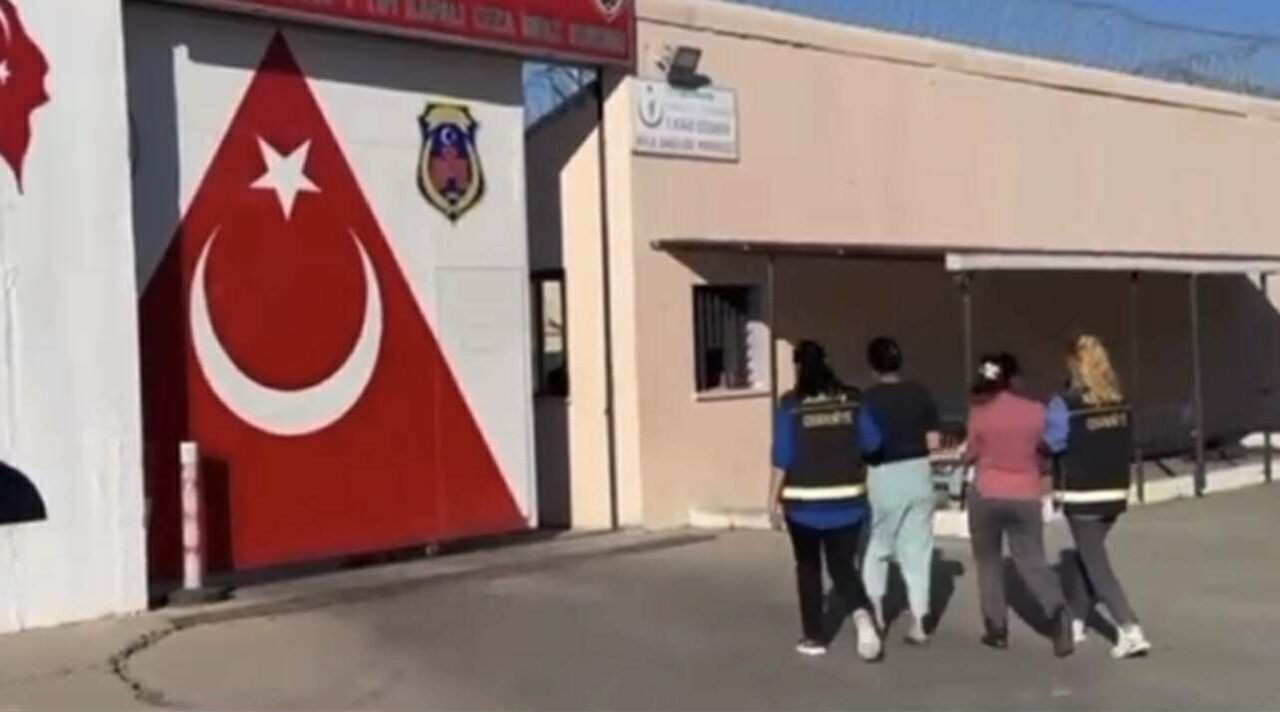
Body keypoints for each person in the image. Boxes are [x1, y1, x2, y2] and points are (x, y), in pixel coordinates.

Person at [769, 340, 883, 661]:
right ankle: (862, 616)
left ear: (798, 367)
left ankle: (814, 637)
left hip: (803, 505)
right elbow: (873, 443)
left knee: (808, 569)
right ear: (828, 362)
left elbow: (782, 457)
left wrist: (772, 501)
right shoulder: (853, 400)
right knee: (842, 566)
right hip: (848, 502)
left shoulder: (791, 405)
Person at [1045, 334, 1152, 659]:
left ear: (1074, 367)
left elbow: (1053, 443)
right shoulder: (1121, 402)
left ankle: (1129, 628)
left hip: (1081, 493)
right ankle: (1078, 620)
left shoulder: (1065, 404)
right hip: (1115, 491)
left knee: (1095, 563)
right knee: (1086, 555)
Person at [965, 352, 1074, 657]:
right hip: (1026, 493)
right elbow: (1047, 446)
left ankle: (996, 629)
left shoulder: (979, 412)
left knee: (988, 562)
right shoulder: (1035, 411)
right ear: (1014, 379)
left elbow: (971, 452)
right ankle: (1057, 613)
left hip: (987, 493)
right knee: (1032, 560)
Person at [860, 337, 940, 645]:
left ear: (872, 366)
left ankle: (878, 616)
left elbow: (864, 443)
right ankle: (920, 621)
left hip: (883, 474)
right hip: (919, 473)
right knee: (917, 550)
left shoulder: (867, 400)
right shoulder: (920, 393)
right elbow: (933, 442)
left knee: (876, 546)